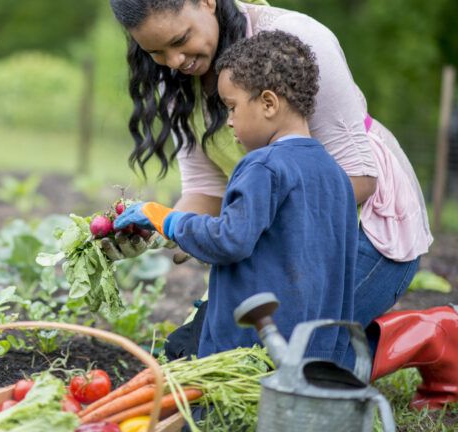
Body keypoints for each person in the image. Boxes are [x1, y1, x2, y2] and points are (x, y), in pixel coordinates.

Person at [108, 0, 457, 409]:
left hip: (364, 227)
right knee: (199, 358)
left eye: (180, 40)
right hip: (271, 227)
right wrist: (160, 230)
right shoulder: (177, 76)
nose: (174, 61)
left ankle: (436, 334)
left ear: (206, 2)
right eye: (156, 53)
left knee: (284, 370)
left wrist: (248, 227)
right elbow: (205, 191)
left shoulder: (295, 41)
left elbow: (359, 179)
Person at [116, 29, 358, 368]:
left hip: (249, 351)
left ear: (269, 103)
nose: (228, 122)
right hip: (314, 354)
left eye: (231, 107)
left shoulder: (263, 166)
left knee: (208, 416)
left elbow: (229, 240)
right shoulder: (335, 175)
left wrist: (165, 218)